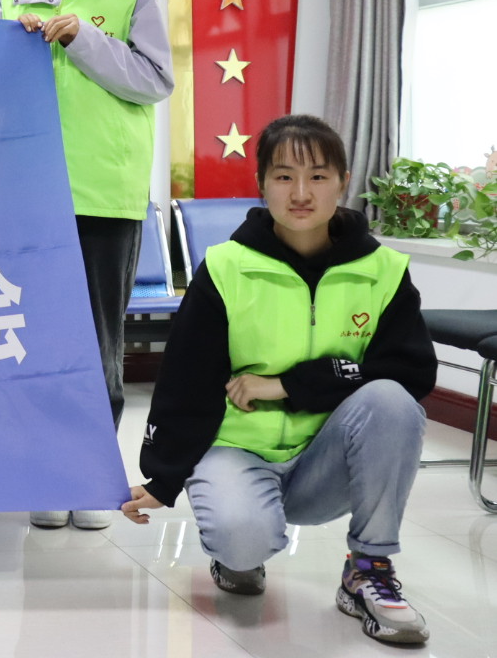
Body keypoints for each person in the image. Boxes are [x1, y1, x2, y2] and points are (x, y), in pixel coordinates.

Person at [123, 115, 435, 646]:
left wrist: (292, 384)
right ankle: (237, 554)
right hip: (238, 449)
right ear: (262, 184)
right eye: (284, 176)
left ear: (343, 182)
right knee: (242, 542)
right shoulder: (226, 267)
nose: (301, 193)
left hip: (324, 462)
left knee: (391, 400)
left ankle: (368, 567)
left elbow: (411, 371)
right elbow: (186, 379)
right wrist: (163, 478)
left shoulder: (382, 269)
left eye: (318, 176)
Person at [0, 0, 173, 530]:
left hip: (104, 193)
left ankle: (90, 473)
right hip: (24, 194)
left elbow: (153, 80)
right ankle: (45, 470)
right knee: (33, 337)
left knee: (97, 344)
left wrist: (85, 38)